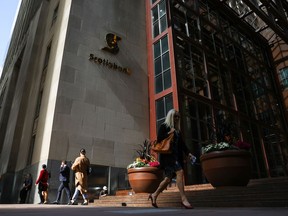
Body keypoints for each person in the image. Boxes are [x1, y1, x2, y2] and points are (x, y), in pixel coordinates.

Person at [148, 109, 195, 209]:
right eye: (175, 116)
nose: (177, 118)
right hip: (168, 158)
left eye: (178, 117)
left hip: (176, 157)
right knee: (180, 172)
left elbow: (182, 145)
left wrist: (189, 154)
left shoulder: (178, 130)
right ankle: (183, 199)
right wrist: (169, 132)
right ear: (170, 116)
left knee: (167, 179)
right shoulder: (164, 126)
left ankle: (154, 195)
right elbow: (159, 138)